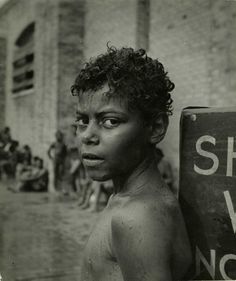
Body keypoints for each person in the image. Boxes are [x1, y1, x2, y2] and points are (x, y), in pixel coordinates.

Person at [71, 46, 192, 281]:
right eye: (82, 120)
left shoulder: (137, 216)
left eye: (110, 121)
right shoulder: (126, 199)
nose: (87, 135)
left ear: (156, 128)